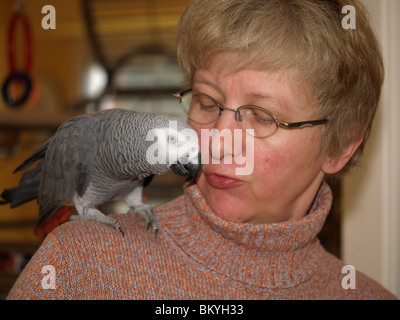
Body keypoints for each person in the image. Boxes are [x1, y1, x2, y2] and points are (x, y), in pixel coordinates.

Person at [7, 0, 397, 299]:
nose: (216, 140)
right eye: (207, 103)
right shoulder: (80, 264)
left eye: (262, 116)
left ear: (342, 145)